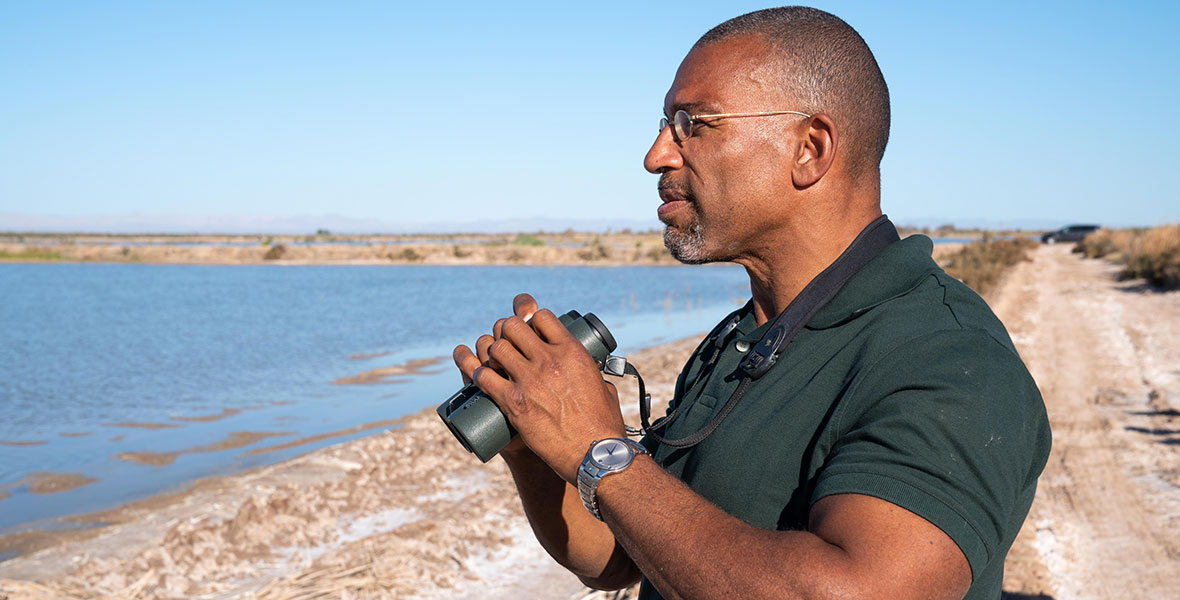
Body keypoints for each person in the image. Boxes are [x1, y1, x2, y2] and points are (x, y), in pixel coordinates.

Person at [451, 6, 1051, 600]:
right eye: (665, 123)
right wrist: (536, 438)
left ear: (809, 149)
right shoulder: (743, 339)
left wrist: (599, 450)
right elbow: (620, 557)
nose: (656, 154)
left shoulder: (950, 361)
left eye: (693, 124)